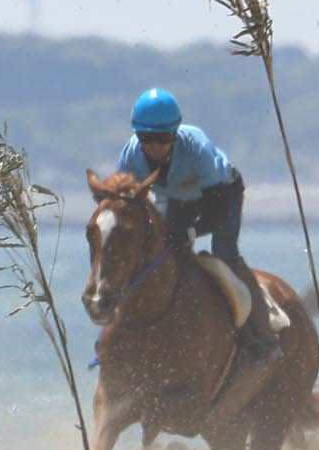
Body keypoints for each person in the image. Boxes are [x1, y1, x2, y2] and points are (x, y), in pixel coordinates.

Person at [113, 88, 279, 366]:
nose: (153, 146)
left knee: (224, 254)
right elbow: (125, 206)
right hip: (177, 197)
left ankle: (259, 336)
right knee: (161, 257)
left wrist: (188, 233)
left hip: (220, 194)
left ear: (175, 133)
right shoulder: (130, 156)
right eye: (146, 138)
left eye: (162, 138)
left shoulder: (197, 148)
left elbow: (216, 213)